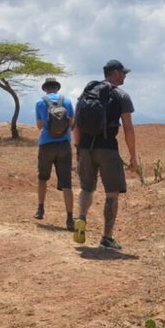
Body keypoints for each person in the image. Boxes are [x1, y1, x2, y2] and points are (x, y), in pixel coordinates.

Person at [73, 59, 138, 251]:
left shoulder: (87, 93)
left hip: (86, 147)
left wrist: (78, 149)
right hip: (108, 147)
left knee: (86, 188)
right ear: (115, 73)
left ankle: (81, 218)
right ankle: (107, 238)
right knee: (112, 193)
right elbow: (128, 128)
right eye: (123, 73)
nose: (125, 76)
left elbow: (76, 125)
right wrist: (133, 155)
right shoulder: (121, 95)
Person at [34, 78, 76, 229]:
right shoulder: (67, 101)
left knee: (42, 178)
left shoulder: (40, 103)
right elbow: (72, 124)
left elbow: (39, 126)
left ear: (45, 89)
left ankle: (40, 208)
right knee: (66, 184)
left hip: (46, 144)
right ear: (57, 88)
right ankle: (70, 218)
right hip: (64, 145)